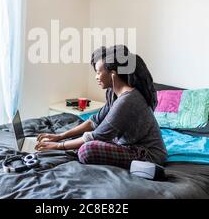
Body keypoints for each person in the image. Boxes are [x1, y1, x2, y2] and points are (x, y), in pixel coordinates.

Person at [35, 45, 167, 169]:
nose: (96, 77)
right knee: (77, 140)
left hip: (147, 154)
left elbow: (96, 136)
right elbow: (94, 121)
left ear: (113, 74)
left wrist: (58, 146)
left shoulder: (128, 101)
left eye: (98, 72)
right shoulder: (113, 93)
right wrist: (60, 136)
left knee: (86, 150)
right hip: (126, 144)